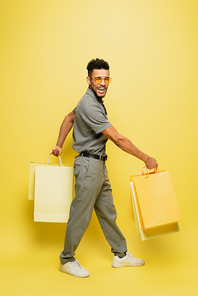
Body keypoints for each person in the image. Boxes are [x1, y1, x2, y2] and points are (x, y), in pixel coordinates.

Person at [51, 58, 158, 278]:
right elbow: (118, 139)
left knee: (108, 213)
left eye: (106, 78)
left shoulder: (91, 101)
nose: (103, 83)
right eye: (98, 78)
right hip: (89, 165)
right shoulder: (90, 105)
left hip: (98, 164)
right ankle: (66, 259)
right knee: (80, 214)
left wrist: (59, 144)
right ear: (89, 80)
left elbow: (69, 118)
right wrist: (146, 158)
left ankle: (120, 254)